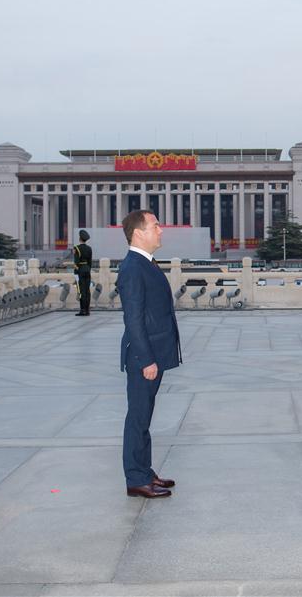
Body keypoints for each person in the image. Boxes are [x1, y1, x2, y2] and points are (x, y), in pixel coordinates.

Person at [118, 209, 182, 499]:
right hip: (143, 357)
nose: (161, 230)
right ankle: (136, 478)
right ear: (139, 233)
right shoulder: (133, 267)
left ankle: (144, 471)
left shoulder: (146, 263)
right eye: (156, 225)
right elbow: (133, 319)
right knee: (138, 418)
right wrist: (146, 360)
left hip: (153, 352)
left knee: (144, 417)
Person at [74, 230, 93, 316]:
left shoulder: (77, 248)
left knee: (81, 290)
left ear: (80, 238)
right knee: (87, 290)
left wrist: (76, 272)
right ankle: (87, 310)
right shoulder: (89, 248)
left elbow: (76, 262)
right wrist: (88, 269)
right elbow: (90, 262)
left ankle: (82, 310)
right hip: (87, 270)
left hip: (80, 270)